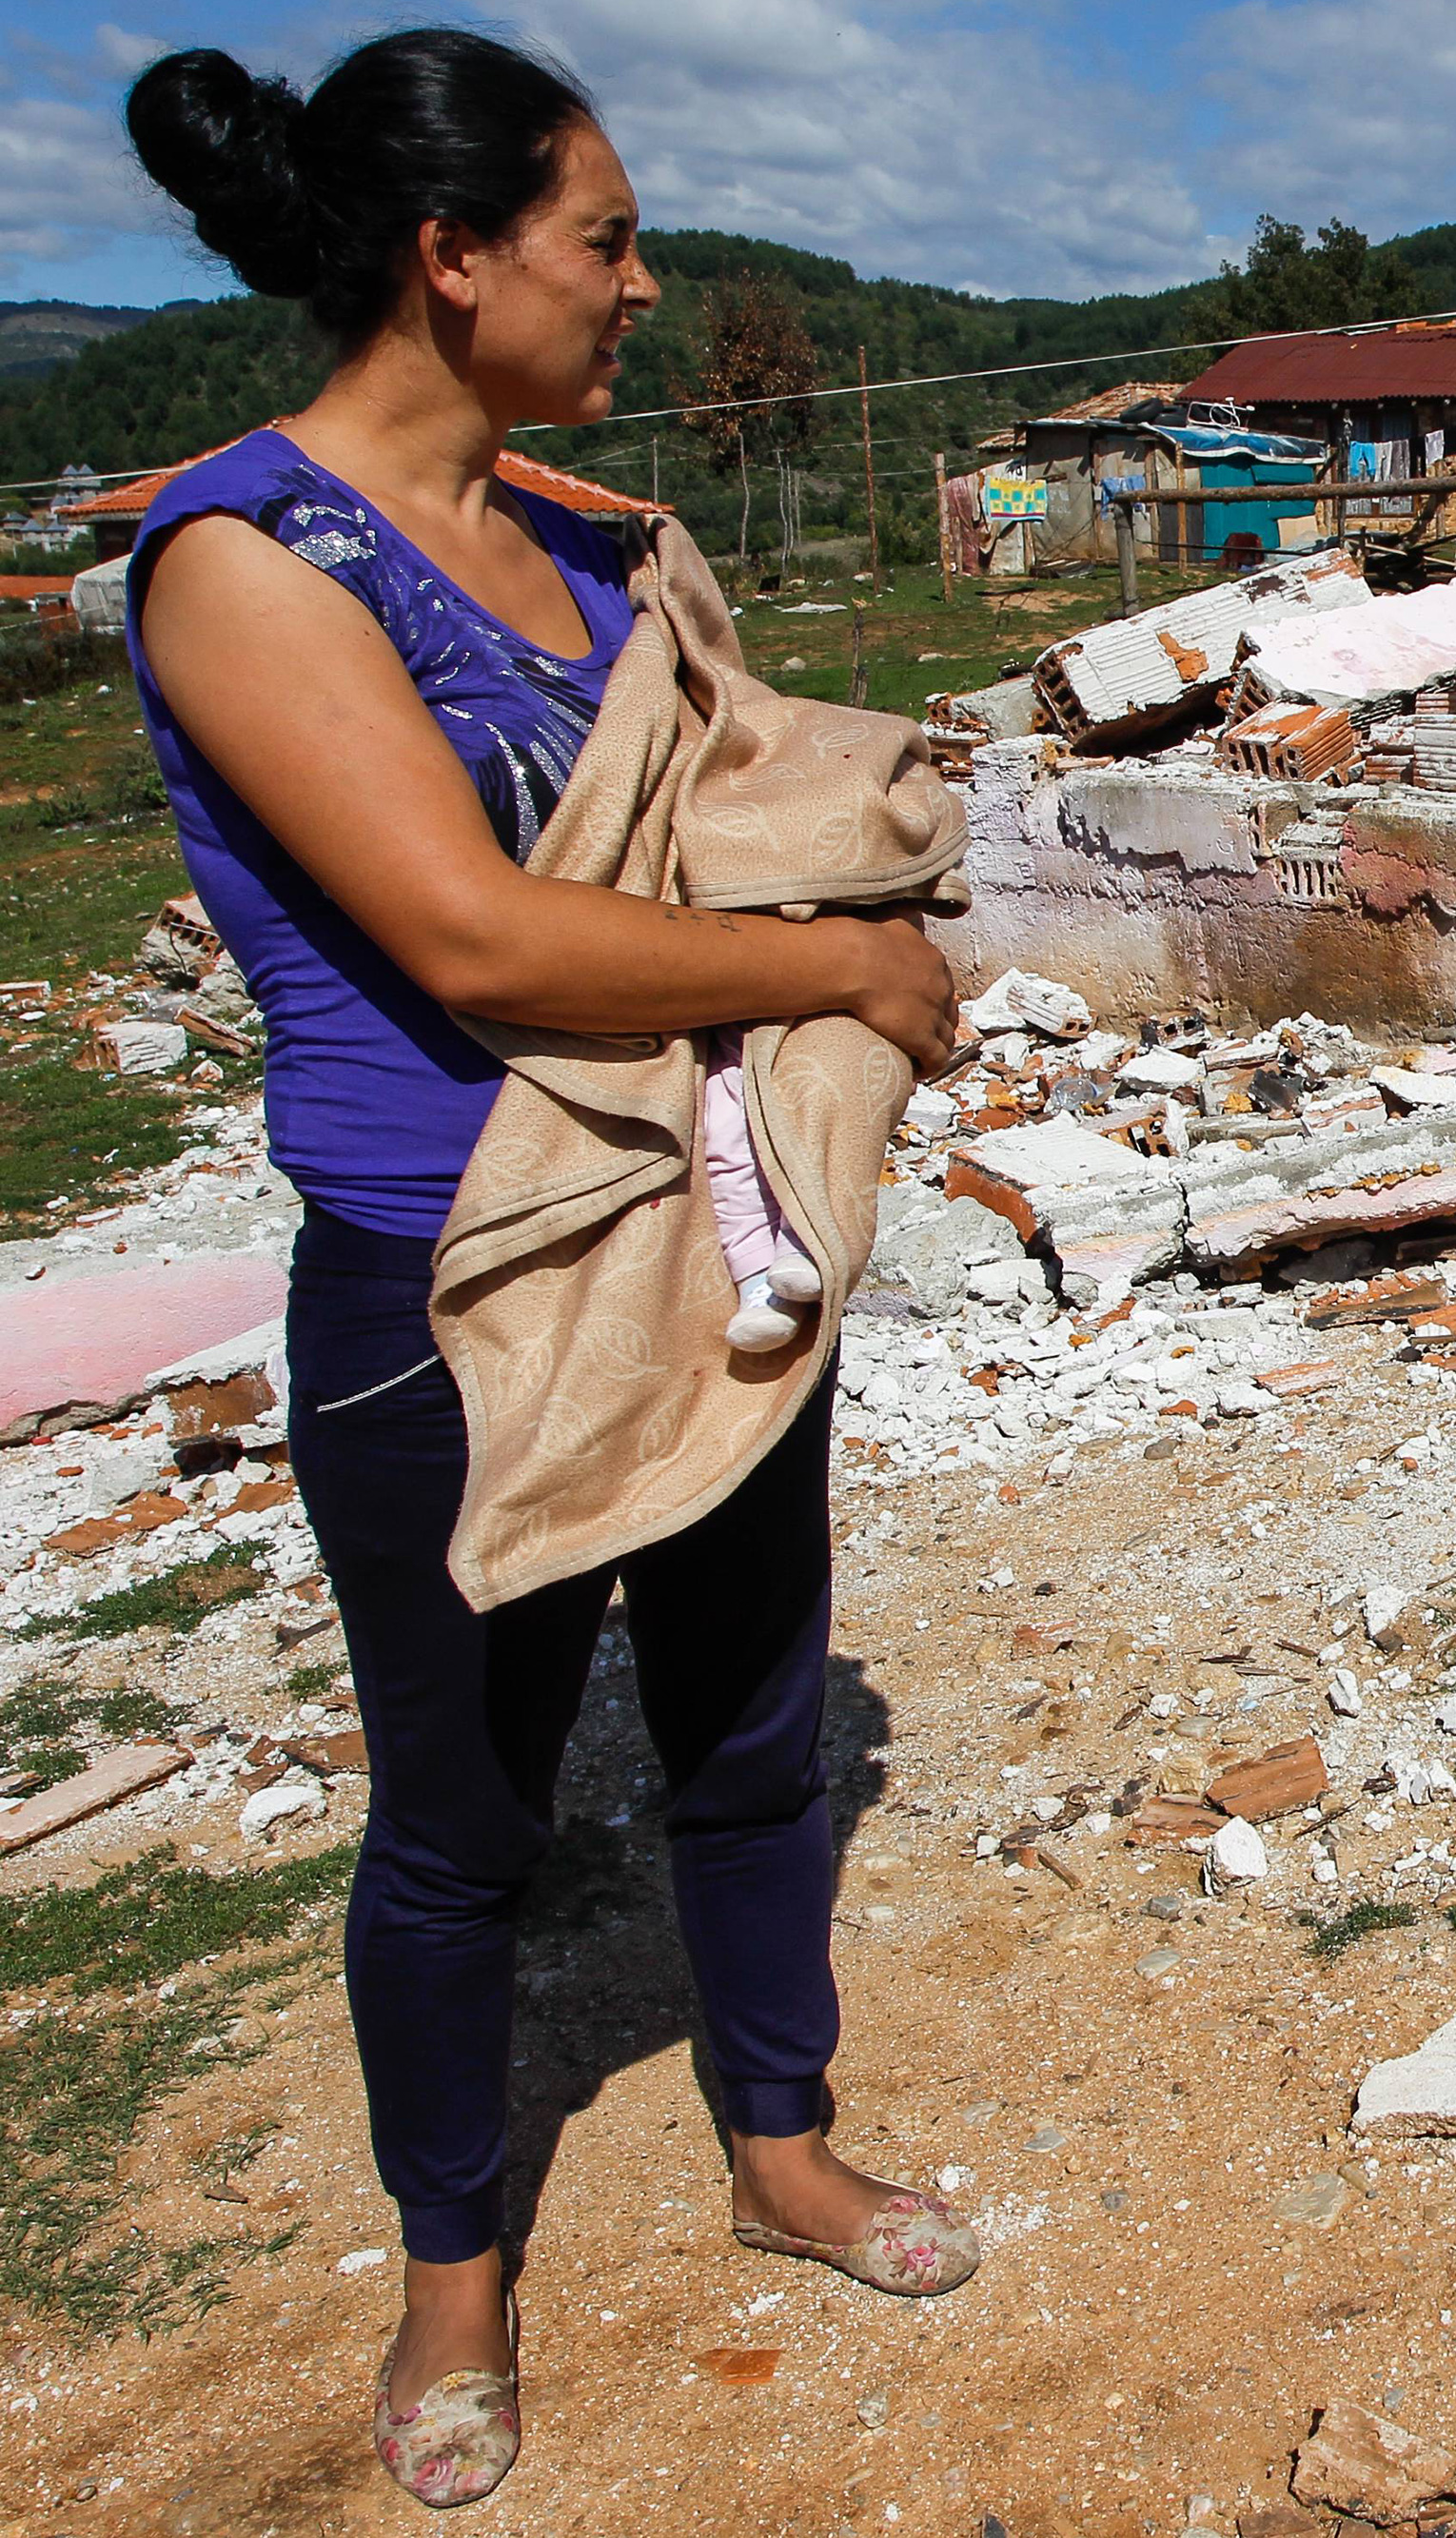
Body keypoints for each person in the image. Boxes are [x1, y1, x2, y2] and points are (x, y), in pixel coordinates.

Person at [122, 30, 975, 2508]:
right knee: (461, 1825)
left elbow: (713, 816)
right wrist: (835, 977)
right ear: (451, 252)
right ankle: (454, 2283)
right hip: (449, 1294)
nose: (641, 284)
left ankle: (780, 2142)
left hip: (697, 1226)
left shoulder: (590, 550)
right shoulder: (241, 566)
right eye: (603, 239)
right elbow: (484, 942)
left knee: (745, 1730)